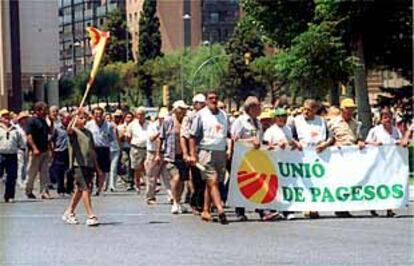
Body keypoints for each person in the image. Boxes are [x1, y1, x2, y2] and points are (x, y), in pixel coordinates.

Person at [231, 96, 282, 222]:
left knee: (258, 182)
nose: (260, 109)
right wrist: (249, 140)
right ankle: (240, 211)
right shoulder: (240, 121)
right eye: (258, 106)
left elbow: (259, 139)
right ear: (251, 108)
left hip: (256, 158)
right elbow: (233, 139)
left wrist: (267, 145)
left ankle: (263, 211)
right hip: (242, 158)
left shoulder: (257, 122)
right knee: (241, 183)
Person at [189, 91, 229, 224]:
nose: (214, 100)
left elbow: (227, 134)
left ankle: (206, 209)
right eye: (211, 98)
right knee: (212, 180)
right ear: (206, 101)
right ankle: (220, 209)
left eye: (216, 98)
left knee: (213, 183)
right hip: (206, 152)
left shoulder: (223, 115)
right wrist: (192, 154)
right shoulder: (200, 115)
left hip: (221, 152)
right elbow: (192, 136)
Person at [290, 99, 330, 218]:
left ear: (315, 110)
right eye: (304, 109)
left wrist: (325, 144)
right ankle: (306, 207)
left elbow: (331, 137)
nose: (306, 112)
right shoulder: (296, 121)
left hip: (320, 155)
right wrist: (296, 144)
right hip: (302, 156)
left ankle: (314, 207)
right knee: (305, 182)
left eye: (309, 109)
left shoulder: (322, 121)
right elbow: (290, 137)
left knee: (317, 183)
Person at [62, 109, 101, 226]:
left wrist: (97, 167)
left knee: (80, 189)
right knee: (86, 189)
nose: (84, 120)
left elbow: (92, 151)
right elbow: (68, 129)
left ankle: (69, 212)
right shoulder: (73, 131)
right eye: (81, 118)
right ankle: (91, 215)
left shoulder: (88, 133)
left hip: (88, 164)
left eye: (85, 118)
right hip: (78, 164)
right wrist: (74, 116)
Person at [328, 98, 365, 218]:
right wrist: (333, 144)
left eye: (352, 109)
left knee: (349, 181)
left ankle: (345, 206)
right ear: (342, 110)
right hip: (337, 156)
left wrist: (360, 142)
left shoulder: (356, 124)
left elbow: (358, 137)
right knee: (339, 181)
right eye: (348, 109)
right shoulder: (332, 123)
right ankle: (338, 206)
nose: (350, 111)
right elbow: (328, 139)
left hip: (352, 156)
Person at [263, 108, 302, 220]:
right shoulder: (270, 131)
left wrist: (295, 144)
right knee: (275, 186)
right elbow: (266, 146)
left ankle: (287, 210)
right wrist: (276, 144)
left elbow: (291, 140)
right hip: (274, 161)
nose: (283, 118)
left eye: (284, 116)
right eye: (280, 116)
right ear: (275, 118)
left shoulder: (288, 129)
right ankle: (274, 209)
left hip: (286, 162)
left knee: (287, 186)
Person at [366, 109, 403, 217]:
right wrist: (375, 143)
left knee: (390, 185)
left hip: (392, 163)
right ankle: (373, 207)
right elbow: (367, 142)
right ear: (381, 119)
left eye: (389, 117)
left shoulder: (396, 130)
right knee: (377, 184)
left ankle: (390, 209)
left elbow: (401, 141)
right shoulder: (375, 130)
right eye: (385, 118)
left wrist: (400, 142)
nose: (388, 120)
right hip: (378, 162)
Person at [159, 100, 190, 214]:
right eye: (181, 109)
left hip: (184, 155)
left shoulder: (187, 120)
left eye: (184, 109)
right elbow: (161, 137)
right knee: (175, 177)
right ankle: (175, 202)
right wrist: (158, 154)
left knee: (182, 180)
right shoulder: (168, 121)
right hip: (170, 155)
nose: (183, 111)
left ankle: (179, 201)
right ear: (176, 109)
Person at [181, 93, 207, 215]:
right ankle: (195, 203)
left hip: (207, 151)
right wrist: (187, 154)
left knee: (208, 179)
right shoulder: (189, 117)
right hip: (195, 151)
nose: (201, 105)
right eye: (199, 103)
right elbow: (185, 136)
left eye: (202, 103)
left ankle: (204, 204)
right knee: (197, 180)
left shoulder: (208, 115)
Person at [85, 107, 116, 196]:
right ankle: (90, 188)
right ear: (93, 115)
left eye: (100, 114)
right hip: (92, 149)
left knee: (103, 170)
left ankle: (99, 189)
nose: (98, 116)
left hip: (104, 148)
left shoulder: (108, 125)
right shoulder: (89, 125)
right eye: (96, 114)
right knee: (91, 170)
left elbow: (112, 138)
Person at [25, 101, 52, 199]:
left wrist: (51, 121)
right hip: (35, 151)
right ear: (38, 110)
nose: (46, 112)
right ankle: (29, 190)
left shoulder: (43, 121)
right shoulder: (31, 121)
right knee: (33, 172)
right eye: (44, 110)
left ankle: (44, 191)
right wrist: (34, 148)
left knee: (45, 172)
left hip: (44, 150)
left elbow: (49, 133)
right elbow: (29, 136)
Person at [144, 107, 169, 205]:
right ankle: (150, 197)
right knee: (151, 177)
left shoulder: (169, 126)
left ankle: (171, 196)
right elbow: (151, 138)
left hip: (165, 152)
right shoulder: (152, 126)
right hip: (153, 153)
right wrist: (160, 132)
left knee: (167, 176)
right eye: (162, 118)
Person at [0, 109, 25, 202]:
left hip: (12, 155)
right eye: (4, 116)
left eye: (7, 116)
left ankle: (9, 195)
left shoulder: (15, 129)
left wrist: (22, 148)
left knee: (11, 176)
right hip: (1, 154)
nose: (6, 118)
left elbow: (20, 142)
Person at [126, 107, 149, 193]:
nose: (140, 116)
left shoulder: (149, 124)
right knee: (137, 168)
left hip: (147, 148)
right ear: (136, 115)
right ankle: (137, 185)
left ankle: (149, 186)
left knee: (148, 167)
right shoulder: (132, 125)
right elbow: (128, 137)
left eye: (142, 114)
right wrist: (132, 144)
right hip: (136, 148)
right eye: (139, 114)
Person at [50, 112, 72, 197]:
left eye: (69, 118)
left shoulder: (72, 128)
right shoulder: (57, 128)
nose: (68, 120)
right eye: (66, 118)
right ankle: (61, 189)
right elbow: (52, 139)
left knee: (69, 171)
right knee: (60, 172)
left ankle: (69, 189)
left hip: (69, 151)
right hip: (59, 151)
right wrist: (53, 150)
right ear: (62, 119)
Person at [118, 111, 134, 190]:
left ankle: (132, 181)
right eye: (127, 117)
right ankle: (128, 181)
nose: (129, 119)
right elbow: (119, 138)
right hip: (124, 147)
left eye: (130, 117)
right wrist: (123, 133)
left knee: (133, 165)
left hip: (133, 147)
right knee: (126, 164)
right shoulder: (120, 127)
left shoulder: (134, 126)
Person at [108, 110, 122, 192]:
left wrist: (120, 148)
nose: (108, 119)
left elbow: (117, 137)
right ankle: (104, 185)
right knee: (107, 168)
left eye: (109, 118)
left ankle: (112, 185)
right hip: (107, 149)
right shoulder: (104, 126)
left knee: (113, 167)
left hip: (115, 149)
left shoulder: (113, 126)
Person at [15, 111, 30, 189]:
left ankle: (26, 181)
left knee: (27, 165)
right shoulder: (16, 128)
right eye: (23, 118)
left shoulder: (28, 127)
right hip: (19, 148)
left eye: (26, 118)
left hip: (27, 148)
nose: (25, 120)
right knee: (20, 165)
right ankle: (19, 181)